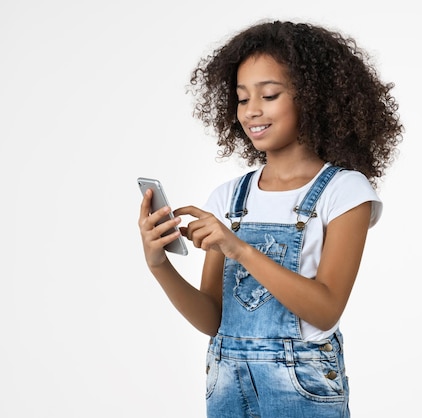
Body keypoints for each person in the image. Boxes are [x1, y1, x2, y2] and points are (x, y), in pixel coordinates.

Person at [137, 19, 403, 418]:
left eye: (270, 94)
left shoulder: (345, 192)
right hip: (226, 386)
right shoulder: (228, 197)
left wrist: (238, 248)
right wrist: (159, 265)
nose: (252, 111)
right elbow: (213, 320)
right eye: (242, 99)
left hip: (302, 388)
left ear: (313, 99)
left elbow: (326, 309)